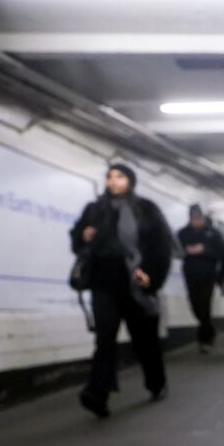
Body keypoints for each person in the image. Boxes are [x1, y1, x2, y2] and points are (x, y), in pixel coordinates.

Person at [69, 163, 174, 418]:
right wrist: (83, 236)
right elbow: (77, 241)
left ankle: (156, 383)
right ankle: (97, 394)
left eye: (119, 176)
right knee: (104, 338)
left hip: (135, 282)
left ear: (130, 181)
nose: (113, 181)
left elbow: (161, 245)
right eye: (109, 177)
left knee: (144, 339)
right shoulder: (94, 210)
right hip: (103, 283)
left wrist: (151, 276)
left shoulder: (146, 209)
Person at [176, 203, 224, 353]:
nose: (196, 220)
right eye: (193, 218)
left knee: (205, 303)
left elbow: (221, 251)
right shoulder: (183, 233)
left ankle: (204, 338)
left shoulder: (213, 233)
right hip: (190, 273)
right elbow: (176, 250)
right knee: (195, 305)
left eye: (198, 218)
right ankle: (209, 329)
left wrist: (204, 250)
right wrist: (187, 251)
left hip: (208, 273)